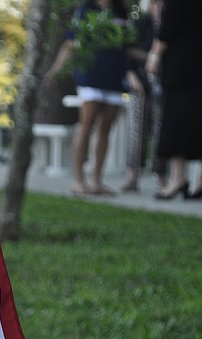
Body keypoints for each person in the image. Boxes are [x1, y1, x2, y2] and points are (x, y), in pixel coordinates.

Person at [46, 0, 138, 197]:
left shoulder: (120, 12)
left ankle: (97, 181)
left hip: (114, 78)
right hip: (90, 75)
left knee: (106, 129)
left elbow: (126, 47)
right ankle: (78, 181)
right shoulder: (85, 10)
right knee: (86, 126)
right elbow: (71, 43)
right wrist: (55, 70)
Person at [146, 0, 202, 201]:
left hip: (182, 64)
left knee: (176, 119)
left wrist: (154, 56)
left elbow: (169, 26)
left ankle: (178, 177)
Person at [119, 0, 158, 192]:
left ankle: (161, 177)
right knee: (137, 131)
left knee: (159, 131)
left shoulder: (168, 24)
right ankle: (132, 176)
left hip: (162, 84)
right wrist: (131, 73)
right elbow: (126, 50)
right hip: (139, 82)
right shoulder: (141, 24)